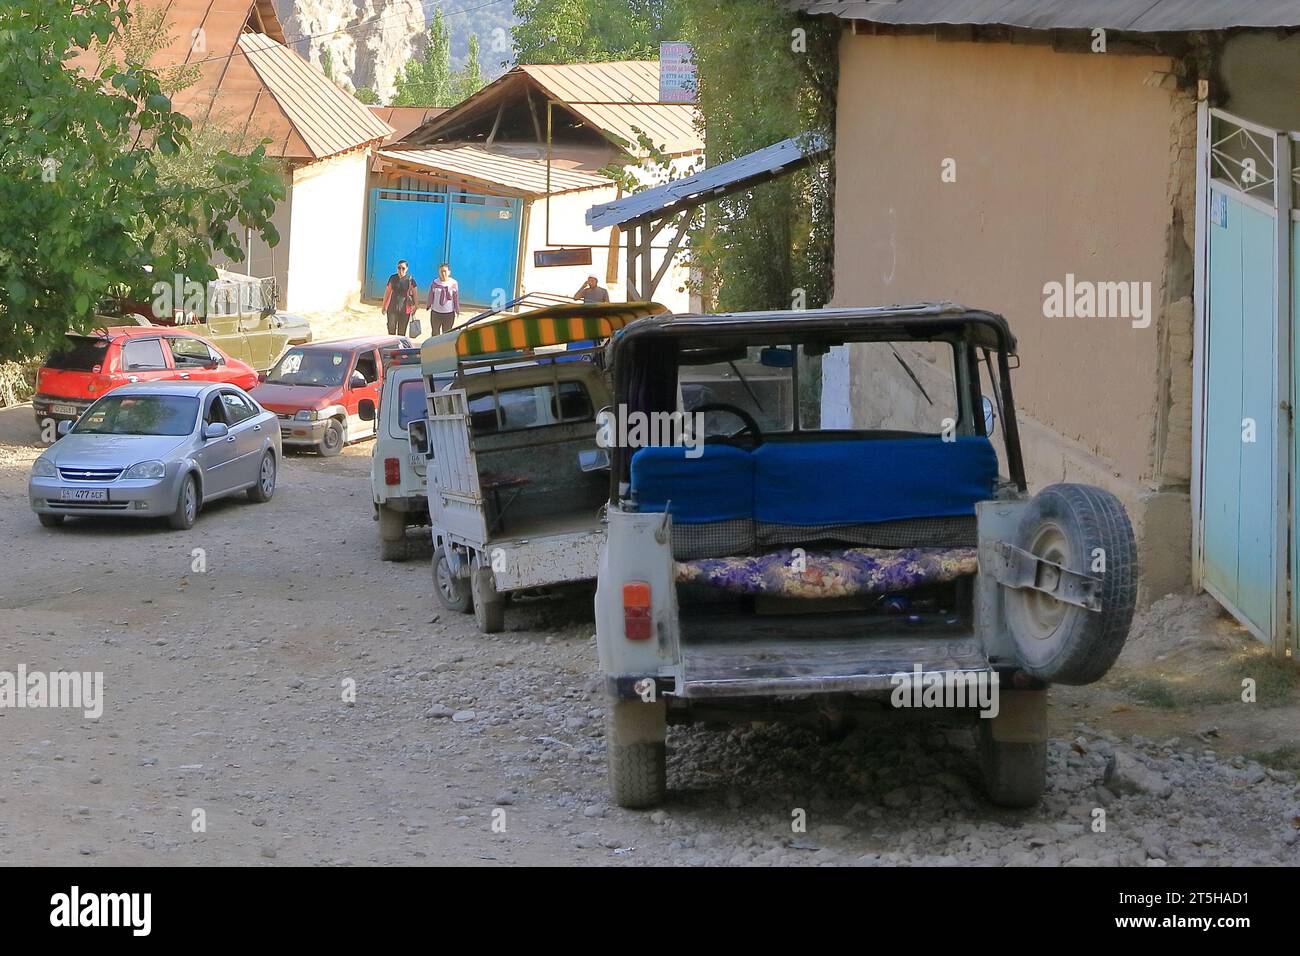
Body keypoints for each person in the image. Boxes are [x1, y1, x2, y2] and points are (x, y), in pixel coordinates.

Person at [381, 260, 418, 336]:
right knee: (391, 329)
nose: (401, 270)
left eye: (403, 268)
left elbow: (415, 294)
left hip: (405, 310)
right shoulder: (392, 278)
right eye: (399, 268)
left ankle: (400, 347)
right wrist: (384, 306)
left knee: (402, 332)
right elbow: (387, 292)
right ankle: (392, 346)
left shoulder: (410, 280)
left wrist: (416, 306)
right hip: (392, 308)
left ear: (407, 269)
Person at [428, 262, 460, 335]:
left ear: (449, 272)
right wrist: (429, 304)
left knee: (446, 334)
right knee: (435, 333)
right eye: (441, 271)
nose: (443, 273)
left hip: (448, 313)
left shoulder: (453, 283)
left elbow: (455, 297)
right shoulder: (435, 282)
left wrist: (457, 309)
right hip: (436, 313)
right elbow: (431, 294)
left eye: (445, 271)